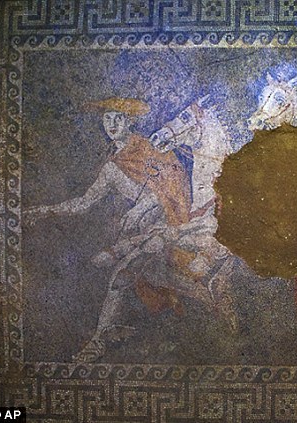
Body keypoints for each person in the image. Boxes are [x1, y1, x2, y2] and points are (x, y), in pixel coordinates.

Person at [26, 97, 193, 362]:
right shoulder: (112, 167)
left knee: (120, 276)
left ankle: (98, 341)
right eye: (107, 118)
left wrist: (141, 208)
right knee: (98, 265)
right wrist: (44, 211)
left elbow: (174, 182)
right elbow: (84, 203)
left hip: (169, 226)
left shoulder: (153, 148)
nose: (112, 124)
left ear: (130, 121)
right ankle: (117, 328)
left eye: (118, 118)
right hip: (143, 234)